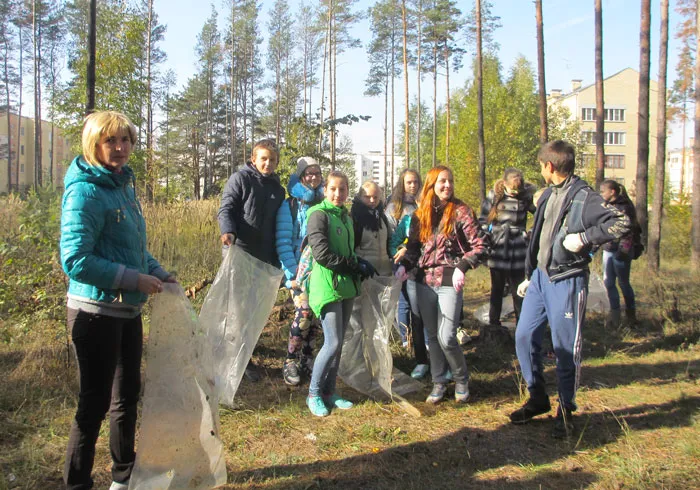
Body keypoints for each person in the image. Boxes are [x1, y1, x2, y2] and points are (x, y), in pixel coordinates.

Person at [60, 111, 176, 490]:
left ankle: (123, 479)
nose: (121, 148)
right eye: (111, 141)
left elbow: (133, 250)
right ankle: (77, 483)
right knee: (93, 404)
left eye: (125, 140)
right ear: (94, 144)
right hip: (94, 313)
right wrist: (134, 279)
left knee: (127, 397)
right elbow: (75, 259)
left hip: (127, 311)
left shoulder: (123, 185)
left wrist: (158, 273)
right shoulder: (84, 190)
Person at [510, 140, 631, 438]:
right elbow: (541, 236)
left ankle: (566, 409)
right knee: (524, 336)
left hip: (567, 279)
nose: (540, 170)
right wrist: (530, 274)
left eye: (541, 166)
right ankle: (537, 397)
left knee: (566, 349)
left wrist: (587, 238)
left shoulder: (585, 197)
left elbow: (622, 221)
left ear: (549, 166)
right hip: (540, 278)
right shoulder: (549, 194)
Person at [395, 166, 484, 404]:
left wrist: (462, 267)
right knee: (432, 337)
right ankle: (438, 382)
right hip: (424, 280)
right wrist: (404, 265)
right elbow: (414, 247)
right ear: (432, 185)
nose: (447, 186)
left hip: (448, 278)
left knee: (447, 337)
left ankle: (461, 378)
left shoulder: (461, 211)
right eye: (442, 182)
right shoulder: (420, 214)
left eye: (450, 181)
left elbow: (481, 245)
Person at [305, 171, 375, 417]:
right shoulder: (318, 215)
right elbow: (322, 254)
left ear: (348, 192)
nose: (338, 194)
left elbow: (347, 250)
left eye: (343, 189)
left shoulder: (345, 216)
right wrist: (354, 266)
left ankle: (329, 391)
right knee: (332, 341)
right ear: (325, 190)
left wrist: (360, 262)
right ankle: (313, 393)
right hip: (327, 286)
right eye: (333, 189)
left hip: (346, 285)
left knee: (338, 343)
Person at [218, 139, 285, 381]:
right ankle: (232, 360)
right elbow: (226, 208)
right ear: (253, 159)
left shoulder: (279, 190)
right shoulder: (241, 179)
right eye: (264, 158)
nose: (268, 163)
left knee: (255, 309)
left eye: (273, 160)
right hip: (240, 251)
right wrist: (227, 231)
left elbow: (279, 225)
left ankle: (246, 354)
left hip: (264, 257)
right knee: (236, 308)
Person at [276, 157, 324, 386]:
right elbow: (283, 241)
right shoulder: (291, 204)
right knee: (303, 313)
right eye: (309, 173)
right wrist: (293, 274)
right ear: (301, 176)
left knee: (316, 317)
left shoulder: (324, 201)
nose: (313, 177)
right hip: (298, 273)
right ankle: (290, 360)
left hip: (321, 272)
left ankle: (308, 358)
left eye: (317, 173)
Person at [479, 168, 536, 328]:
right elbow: (482, 220)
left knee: (518, 288)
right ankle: (494, 323)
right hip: (498, 247)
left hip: (519, 248)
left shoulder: (526, 197)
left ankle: (522, 324)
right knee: (497, 288)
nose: (514, 192)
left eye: (518, 189)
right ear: (504, 184)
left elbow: (540, 215)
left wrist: (530, 233)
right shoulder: (494, 196)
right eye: (512, 189)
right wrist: (487, 238)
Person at [386, 169, 423, 348]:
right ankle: (405, 338)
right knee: (404, 300)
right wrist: (401, 250)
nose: (413, 185)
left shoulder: (423, 203)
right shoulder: (394, 206)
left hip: (421, 260)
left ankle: (419, 337)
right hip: (401, 260)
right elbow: (391, 234)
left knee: (418, 300)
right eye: (409, 182)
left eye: (415, 182)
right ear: (402, 184)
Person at [599, 179, 640, 327]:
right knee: (608, 282)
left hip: (621, 250)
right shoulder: (606, 206)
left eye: (603, 191)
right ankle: (614, 316)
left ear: (612, 192)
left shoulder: (625, 207)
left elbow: (629, 230)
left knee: (623, 283)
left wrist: (623, 250)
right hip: (608, 249)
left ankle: (631, 316)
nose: (601, 194)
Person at [351, 180, 392, 276]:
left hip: (385, 272)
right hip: (364, 273)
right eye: (367, 197)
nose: (372, 200)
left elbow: (390, 240)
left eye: (375, 197)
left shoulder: (382, 217)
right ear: (360, 197)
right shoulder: (354, 217)